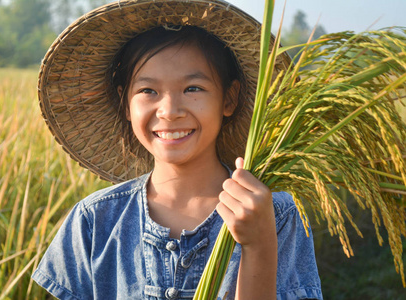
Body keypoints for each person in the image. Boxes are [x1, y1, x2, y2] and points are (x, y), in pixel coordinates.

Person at [32, 0, 322, 299]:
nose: (169, 111)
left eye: (192, 88)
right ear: (125, 103)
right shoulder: (94, 222)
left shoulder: (274, 214)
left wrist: (259, 245)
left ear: (229, 98)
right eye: (148, 91)